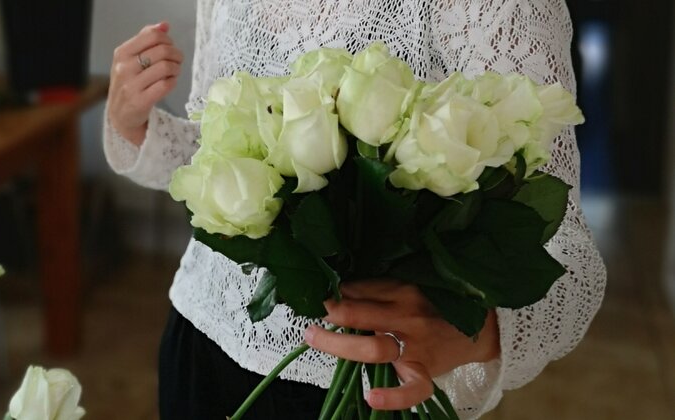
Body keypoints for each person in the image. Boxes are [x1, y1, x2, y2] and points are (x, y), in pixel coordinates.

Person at [103, 1, 607, 419]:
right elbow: (215, 152)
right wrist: (135, 125)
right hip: (199, 339)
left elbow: (568, 258)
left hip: (366, 385)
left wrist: (477, 334)